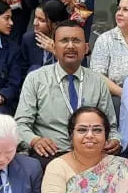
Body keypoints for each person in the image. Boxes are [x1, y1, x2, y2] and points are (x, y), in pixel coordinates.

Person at [15, 20, 121, 164]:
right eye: (64, 40)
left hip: (91, 154)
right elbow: (21, 124)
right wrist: (35, 141)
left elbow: (111, 126)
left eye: (76, 41)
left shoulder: (98, 81)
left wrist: (114, 140)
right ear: (53, 47)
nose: (70, 46)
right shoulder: (36, 79)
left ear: (86, 48)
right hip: (51, 154)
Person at [22, 0, 69, 72]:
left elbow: (75, 70)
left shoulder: (70, 42)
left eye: (41, 20)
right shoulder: (29, 39)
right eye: (35, 17)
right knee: (35, 68)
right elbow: (23, 71)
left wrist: (55, 51)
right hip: (36, 78)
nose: (35, 23)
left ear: (56, 24)